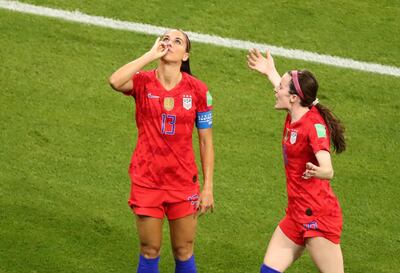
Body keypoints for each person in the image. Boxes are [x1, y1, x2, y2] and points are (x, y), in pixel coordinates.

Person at [108, 29, 214, 273]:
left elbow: (206, 141)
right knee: (150, 249)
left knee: (184, 250)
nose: (169, 43)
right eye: (165, 38)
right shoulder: (143, 81)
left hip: (183, 183)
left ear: (185, 55)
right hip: (147, 181)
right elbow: (115, 81)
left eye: (177, 41)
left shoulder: (198, 90)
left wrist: (208, 187)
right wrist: (149, 55)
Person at [247, 48, 346, 273]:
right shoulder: (296, 112)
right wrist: (270, 71)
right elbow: (284, 89)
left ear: (293, 98)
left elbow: (328, 168)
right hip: (296, 214)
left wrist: (319, 171)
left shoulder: (313, 127)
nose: (275, 90)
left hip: (317, 217)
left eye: (280, 87)